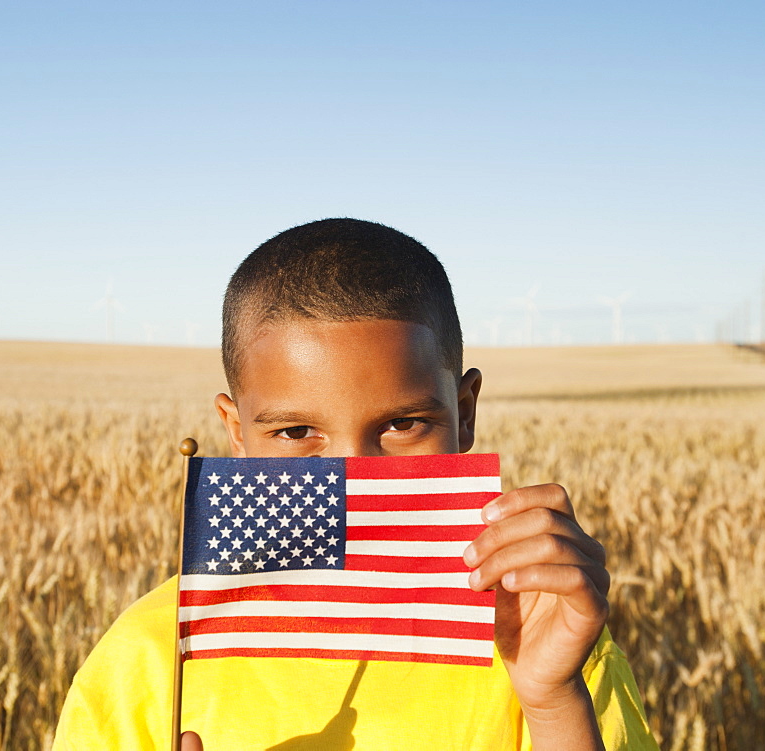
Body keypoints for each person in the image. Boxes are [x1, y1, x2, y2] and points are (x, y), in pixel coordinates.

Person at [54, 218, 657, 750]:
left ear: (465, 411)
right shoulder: (152, 655)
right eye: (295, 432)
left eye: (402, 423)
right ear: (236, 432)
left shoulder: (537, 634)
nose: (352, 475)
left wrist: (553, 702)